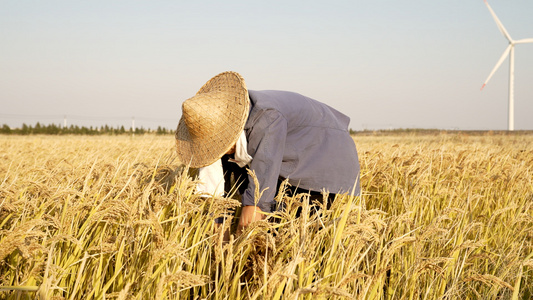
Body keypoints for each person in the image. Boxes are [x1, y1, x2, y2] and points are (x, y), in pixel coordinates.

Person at [175, 71, 360, 232]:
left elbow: (258, 198)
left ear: (229, 133)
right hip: (288, 155)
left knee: (296, 232)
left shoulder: (265, 118)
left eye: (219, 146)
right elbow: (216, 198)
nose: (218, 152)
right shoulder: (216, 125)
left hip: (322, 156)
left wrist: (251, 214)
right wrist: (220, 246)